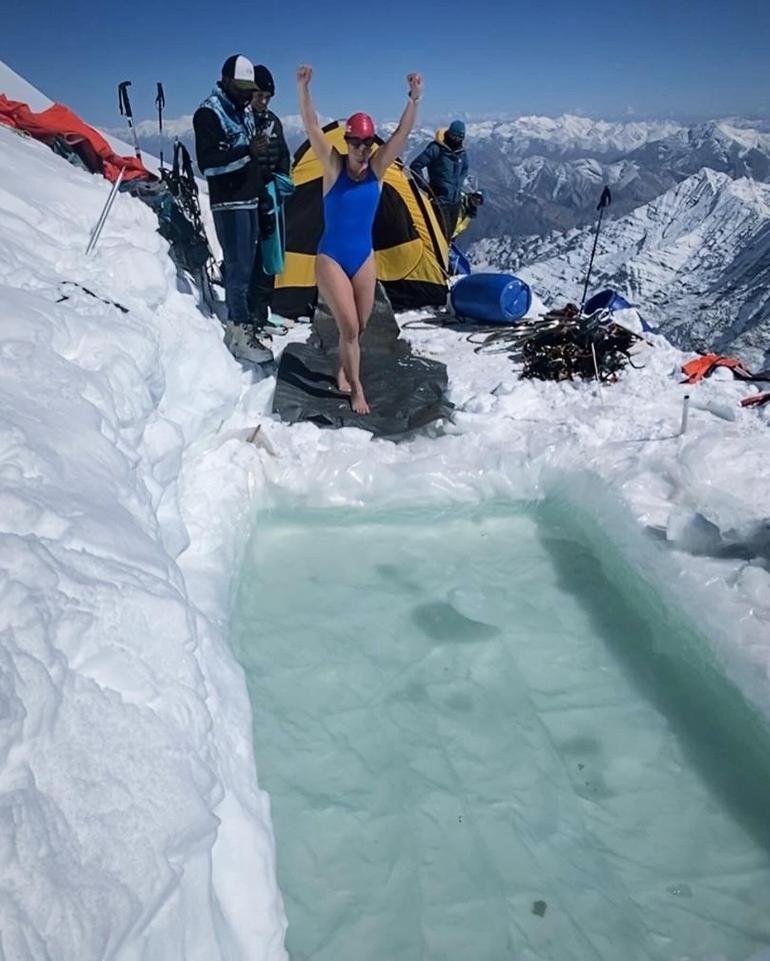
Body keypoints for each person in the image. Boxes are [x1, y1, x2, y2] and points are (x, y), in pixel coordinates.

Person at [297, 65, 423, 414]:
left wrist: (414, 98)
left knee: (360, 326)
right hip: (332, 258)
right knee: (349, 326)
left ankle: (341, 368)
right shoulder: (334, 167)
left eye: (368, 142)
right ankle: (356, 389)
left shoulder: (379, 169)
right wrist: (304, 88)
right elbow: (310, 126)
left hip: (363, 256)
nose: (362, 148)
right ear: (347, 141)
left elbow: (402, 132)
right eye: (356, 142)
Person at [192, 54, 271, 363]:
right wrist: (247, 151)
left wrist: (261, 190)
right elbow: (208, 164)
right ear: (225, 81)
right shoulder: (209, 114)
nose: (246, 93)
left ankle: (243, 322)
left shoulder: (243, 111)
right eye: (241, 87)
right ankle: (237, 332)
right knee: (237, 268)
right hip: (229, 201)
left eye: (248, 88)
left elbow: (252, 154)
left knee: (247, 265)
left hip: (248, 198)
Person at [247, 64, 292, 328]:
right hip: (251, 196)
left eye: (267, 97)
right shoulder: (243, 121)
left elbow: (283, 153)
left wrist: (284, 177)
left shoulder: (273, 121)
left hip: (272, 196)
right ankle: (250, 311)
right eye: (258, 96)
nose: (263, 102)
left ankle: (262, 310)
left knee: (269, 255)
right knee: (252, 255)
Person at [410, 119, 468, 239]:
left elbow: (464, 169)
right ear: (449, 133)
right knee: (440, 235)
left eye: (460, 137)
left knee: (450, 233)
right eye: (454, 136)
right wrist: (426, 187)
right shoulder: (436, 149)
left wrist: (459, 184)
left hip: (455, 201)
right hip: (440, 201)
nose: (456, 140)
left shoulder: (462, 153)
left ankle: (446, 249)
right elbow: (416, 166)